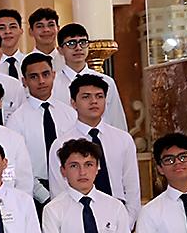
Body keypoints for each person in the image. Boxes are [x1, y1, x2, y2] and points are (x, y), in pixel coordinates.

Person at [42, 139, 137, 233]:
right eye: (74, 166)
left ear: (98, 167)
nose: (82, 172)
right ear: (63, 171)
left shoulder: (115, 207)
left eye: (88, 164)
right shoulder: (53, 210)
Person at [47, 74, 140, 222]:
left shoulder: (123, 139)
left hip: (119, 216)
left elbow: (132, 188)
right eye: (86, 97)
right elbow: (59, 192)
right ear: (73, 103)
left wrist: (127, 223)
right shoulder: (61, 144)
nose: (94, 101)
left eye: (99, 96)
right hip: (79, 218)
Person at [7, 53, 77, 204]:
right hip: (36, 194)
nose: (41, 81)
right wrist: (43, 196)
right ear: (24, 81)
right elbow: (18, 165)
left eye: (45, 74)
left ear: (53, 75)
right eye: (33, 77)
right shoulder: (16, 120)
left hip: (71, 188)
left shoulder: (70, 114)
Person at [55, 23, 127, 130]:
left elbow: (117, 121)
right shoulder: (53, 84)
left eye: (83, 42)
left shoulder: (106, 81)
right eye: (71, 43)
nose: (78, 48)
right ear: (60, 49)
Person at [0, 9, 26, 81]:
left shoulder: (30, 62)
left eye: (12, 27)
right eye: (1, 28)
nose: (7, 31)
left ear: (21, 31)